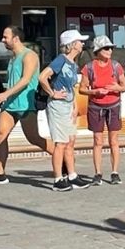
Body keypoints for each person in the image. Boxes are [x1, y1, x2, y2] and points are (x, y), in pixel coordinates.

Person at [0, 25, 43, 185]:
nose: (2, 40)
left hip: (26, 104)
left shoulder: (29, 56)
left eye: (5, 37)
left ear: (16, 38)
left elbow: (25, 80)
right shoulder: (12, 58)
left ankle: (61, 159)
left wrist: (5, 94)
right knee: (1, 134)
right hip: (10, 105)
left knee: (34, 138)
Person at [39, 29, 93, 191]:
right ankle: (58, 179)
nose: (82, 44)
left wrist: (74, 105)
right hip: (58, 106)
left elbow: (71, 87)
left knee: (70, 142)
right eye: (79, 41)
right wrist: (52, 93)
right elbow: (42, 77)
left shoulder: (73, 63)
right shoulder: (60, 60)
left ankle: (72, 175)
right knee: (60, 143)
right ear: (72, 44)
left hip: (68, 105)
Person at [80, 36, 125, 184]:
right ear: (98, 50)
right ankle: (98, 173)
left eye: (111, 48)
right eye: (106, 48)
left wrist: (117, 88)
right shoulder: (89, 68)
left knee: (114, 140)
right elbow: (82, 89)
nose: (110, 51)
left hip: (114, 105)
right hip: (96, 106)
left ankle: (115, 172)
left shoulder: (116, 66)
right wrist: (95, 92)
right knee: (97, 140)